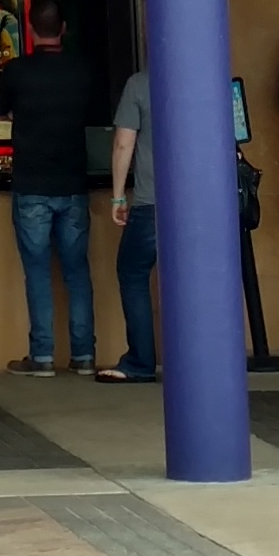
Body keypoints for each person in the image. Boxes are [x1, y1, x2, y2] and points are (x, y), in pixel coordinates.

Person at [0, 7, 102, 375]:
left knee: (38, 273)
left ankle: (41, 357)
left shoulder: (17, 71)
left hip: (32, 186)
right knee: (77, 272)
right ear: (64, 28)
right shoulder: (82, 70)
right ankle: (84, 355)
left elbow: (1, 113)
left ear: (30, 28)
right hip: (73, 184)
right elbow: (94, 115)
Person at [96, 63, 165, 381]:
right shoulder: (206, 78)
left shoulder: (139, 84)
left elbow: (124, 142)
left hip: (152, 203)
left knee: (133, 273)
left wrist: (118, 196)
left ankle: (140, 361)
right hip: (200, 207)